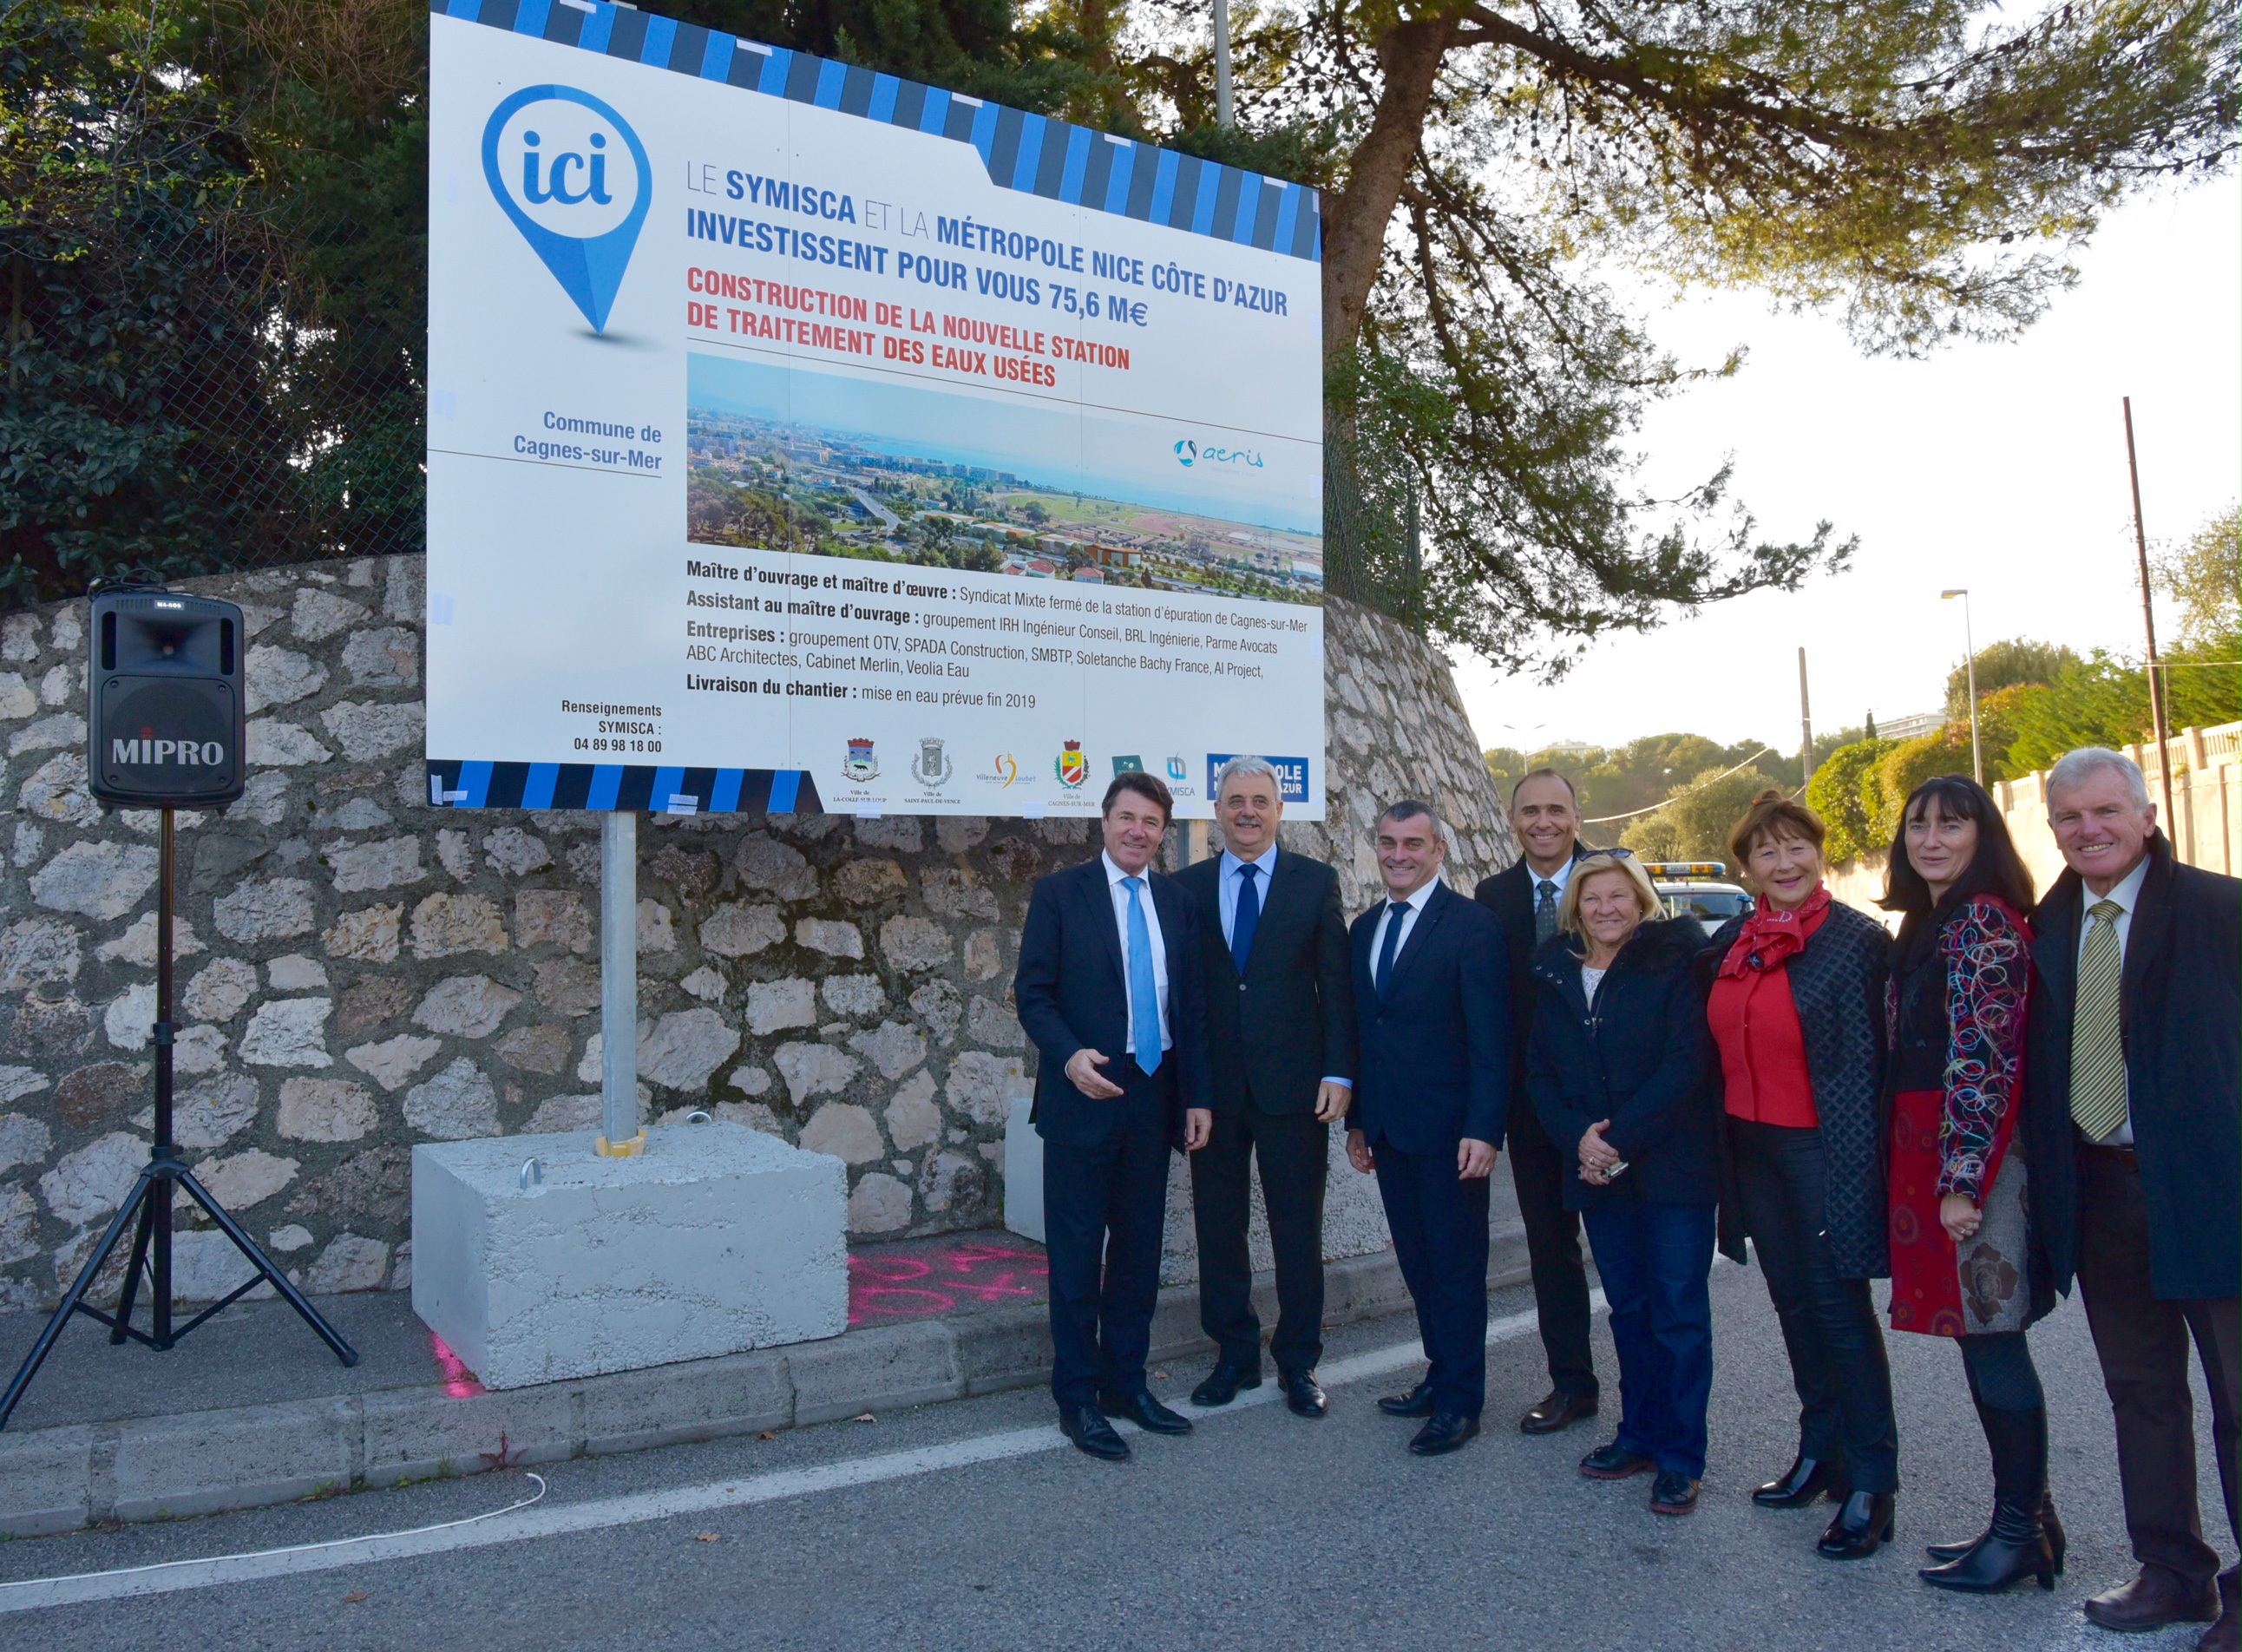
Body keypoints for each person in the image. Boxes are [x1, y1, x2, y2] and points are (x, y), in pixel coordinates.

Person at [2024, 748, 2242, 1645]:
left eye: (2107, 809)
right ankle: (2173, 1571)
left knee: (2240, 1398)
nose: (2090, 828)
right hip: (2101, 1194)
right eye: (2070, 815)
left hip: (2214, 1192)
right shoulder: (2042, 927)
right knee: (2140, 1391)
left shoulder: (2221, 909)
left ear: (2147, 813)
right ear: (2052, 829)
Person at [1702, 790, 1899, 1557]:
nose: (1784, 863)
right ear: (1746, 867)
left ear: (1818, 852)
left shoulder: (1856, 940)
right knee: (1791, 1305)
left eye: (1797, 847)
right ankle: (1822, 1452)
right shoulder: (1733, 938)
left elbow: (1876, 1060)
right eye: (1766, 852)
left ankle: (1874, 1481)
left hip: (1825, 1147)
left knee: (1838, 1311)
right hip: (1751, 1149)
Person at [1879, 774, 2063, 1593]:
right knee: (1978, 1342)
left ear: (1982, 836)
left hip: (1975, 1156)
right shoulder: (1930, 922)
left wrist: (1962, 1181)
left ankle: (2021, 1532)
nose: (1932, 840)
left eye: (1952, 826)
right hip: (1933, 1149)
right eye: (1919, 826)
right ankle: (2031, 1520)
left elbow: (1986, 1061)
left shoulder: (1985, 922)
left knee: (1994, 1343)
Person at [1014, 771, 1215, 1460]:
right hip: (1083, 1092)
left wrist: (1197, 1097)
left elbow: (1190, 1007)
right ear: (1103, 822)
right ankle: (1077, 1396)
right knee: (1076, 1255)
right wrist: (1069, 1057)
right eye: (1127, 817)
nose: (1139, 831)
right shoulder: (1060, 894)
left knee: (1138, 1251)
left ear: (1163, 833)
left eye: (1152, 822)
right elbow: (1033, 994)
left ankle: (1126, 1383)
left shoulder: (1178, 901)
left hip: (1153, 1091)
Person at [1528, 850, 1718, 1517]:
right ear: (1575, 907)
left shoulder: (1676, 963)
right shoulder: (1554, 972)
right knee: (1630, 1310)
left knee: (1678, 1313)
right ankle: (1637, 1435)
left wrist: (1613, 1140)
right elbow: (1540, 1077)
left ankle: (1679, 1457)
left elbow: (1687, 1064)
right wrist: (1579, 1138)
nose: (1606, 908)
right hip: (1597, 1173)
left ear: (1641, 902)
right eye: (1592, 898)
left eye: (1619, 896)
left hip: (1671, 1170)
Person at [1180, 756, 1357, 1419]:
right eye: (1235, 801)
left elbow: (1335, 985)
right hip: (1215, 1094)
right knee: (1219, 1230)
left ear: (1281, 810)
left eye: (1260, 800)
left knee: (1296, 1230)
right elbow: (1187, 999)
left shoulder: (1315, 883)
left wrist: (1339, 1071)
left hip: (1295, 1090)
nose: (1247, 812)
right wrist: (1189, 1088)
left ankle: (1299, 1362)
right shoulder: (1186, 887)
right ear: (1218, 809)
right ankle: (1233, 1356)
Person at [1343, 801, 1510, 1456]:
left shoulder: (1473, 927)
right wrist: (1359, 1121)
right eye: (1388, 842)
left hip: (1451, 1134)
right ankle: (1441, 1376)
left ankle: (1463, 1401)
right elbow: (1366, 1033)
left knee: (1457, 1268)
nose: (1399, 854)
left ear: (1439, 850)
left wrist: (1485, 1128)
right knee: (1418, 1265)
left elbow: (1492, 1041)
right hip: (1389, 1131)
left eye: (1413, 843)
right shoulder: (1365, 929)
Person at [1474, 769, 1602, 1433]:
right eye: (1531, 811)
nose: (1544, 822)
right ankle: (1573, 1385)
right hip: (1532, 1111)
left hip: (1609, 1111)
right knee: (1552, 1252)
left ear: (1577, 816)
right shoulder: (1492, 896)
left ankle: (1649, 1401)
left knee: (1626, 1255)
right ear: (1512, 818)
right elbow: (1489, 1011)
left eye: (1557, 810)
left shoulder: (1611, 884)